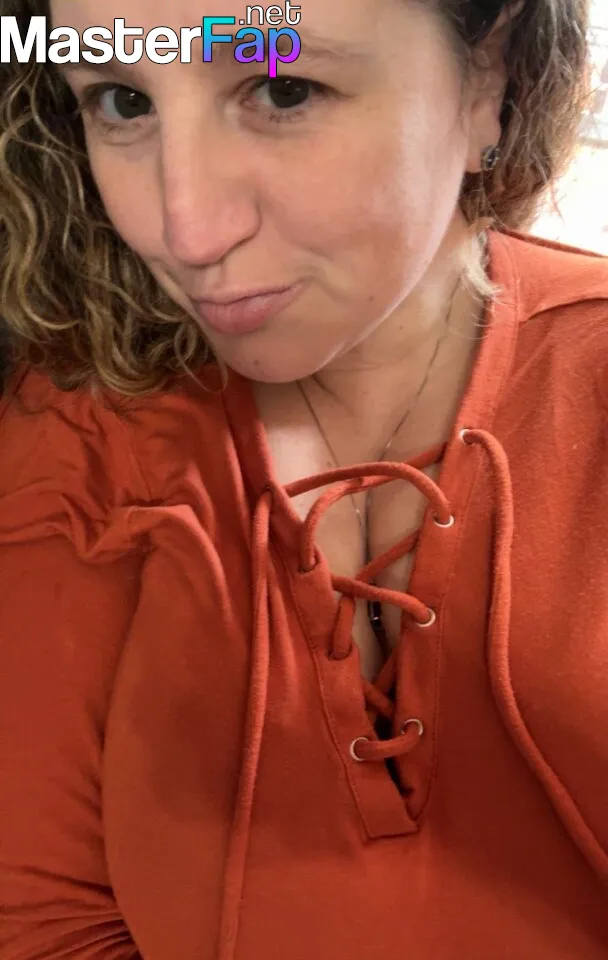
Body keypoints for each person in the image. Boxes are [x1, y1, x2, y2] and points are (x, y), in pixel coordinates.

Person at [0, 0, 607, 957]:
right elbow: (40, 921)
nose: (185, 231)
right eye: (122, 101)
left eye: (285, 90)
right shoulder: (80, 417)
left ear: (489, 76)